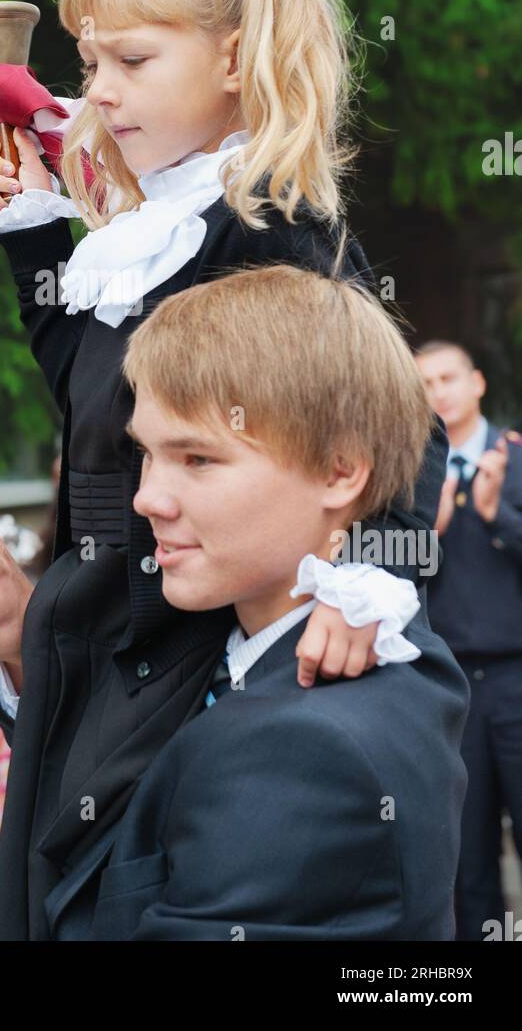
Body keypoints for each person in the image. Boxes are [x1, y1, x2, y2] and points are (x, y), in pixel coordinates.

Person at [0, 0, 449, 940]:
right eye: (86, 61)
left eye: (131, 58)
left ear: (236, 58)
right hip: (96, 648)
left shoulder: (265, 226)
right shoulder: (143, 229)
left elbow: (401, 432)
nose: (98, 91)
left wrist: (361, 582)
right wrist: (33, 231)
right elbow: (97, 399)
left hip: (179, 677)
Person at [82, 265, 468, 939]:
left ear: (340, 472)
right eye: (146, 454)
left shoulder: (305, 749)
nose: (148, 499)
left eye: (198, 459)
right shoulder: (250, 651)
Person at [415, 339, 522, 941]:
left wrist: (495, 515)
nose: (438, 393)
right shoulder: (408, 475)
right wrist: (431, 529)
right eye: (424, 383)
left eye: (449, 377)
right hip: (450, 690)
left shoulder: (517, 456)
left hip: (517, 677)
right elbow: (381, 576)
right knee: (465, 856)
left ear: (477, 382)